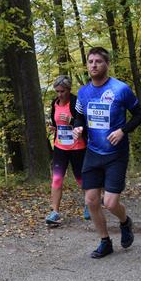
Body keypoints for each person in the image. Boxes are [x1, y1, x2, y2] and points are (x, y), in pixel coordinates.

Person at [72, 47, 141, 258]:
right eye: (90, 62)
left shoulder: (120, 89)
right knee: (91, 201)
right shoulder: (83, 92)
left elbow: (139, 115)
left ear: (107, 64)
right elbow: (79, 116)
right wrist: (78, 127)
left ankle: (125, 221)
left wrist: (123, 131)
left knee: (110, 203)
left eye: (98, 61)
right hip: (93, 153)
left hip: (116, 154)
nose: (94, 65)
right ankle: (105, 241)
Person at [45, 75, 87, 226]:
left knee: (80, 178)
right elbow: (56, 122)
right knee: (57, 179)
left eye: (62, 91)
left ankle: (89, 204)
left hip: (77, 148)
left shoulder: (76, 102)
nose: (60, 94)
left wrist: (71, 121)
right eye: (57, 91)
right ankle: (55, 212)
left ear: (69, 89)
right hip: (60, 147)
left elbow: (84, 123)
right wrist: (54, 128)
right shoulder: (54, 103)